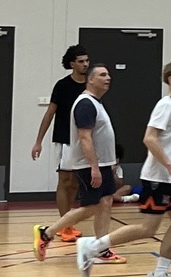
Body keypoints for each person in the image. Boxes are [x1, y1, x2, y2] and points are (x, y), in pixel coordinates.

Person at [69, 61, 171, 277]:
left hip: (168, 179)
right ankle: (93, 246)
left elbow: (165, 142)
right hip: (157, 178)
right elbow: (149, 138)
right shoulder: (165, 106)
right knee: (147, 229)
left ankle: (159, 275)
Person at [32, 65, 125, 262]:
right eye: (102, 75)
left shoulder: (96, 103)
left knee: (106, 202)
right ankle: (47, 233)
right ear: (90, 80)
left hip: (102, 164)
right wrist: (94, 167)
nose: (108, 78)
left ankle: (101, 249)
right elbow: (84, 138)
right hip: (89, 165)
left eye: (108, 74)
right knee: (93, 206)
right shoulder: (85, 104)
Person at [31, 44, 90, 235]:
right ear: (72, 64)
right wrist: (38, 141)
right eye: (81, 61)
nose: (85, 64)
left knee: (75, 182)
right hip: (65, 138)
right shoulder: (62, 85)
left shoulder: (90, 85)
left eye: (87, 61)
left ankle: (67, 222)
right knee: (65, 180)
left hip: (84, 139)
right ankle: (64, 226)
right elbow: (50, 113)